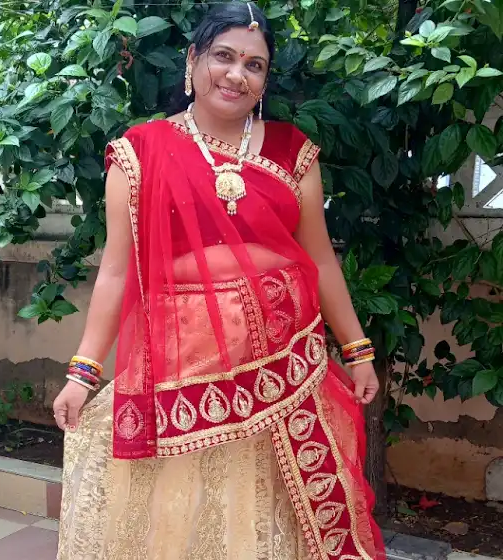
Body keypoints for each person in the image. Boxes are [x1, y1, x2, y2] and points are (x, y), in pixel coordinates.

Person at [53, 2, 385, 558]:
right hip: (183, 365)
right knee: (185, 510)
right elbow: (116, 271)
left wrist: (357, 350)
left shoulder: (292, 152)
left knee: (270, 510)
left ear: (265, 80)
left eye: (254, 65)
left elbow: (321, 260)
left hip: (285, 366)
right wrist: (83, 372)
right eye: (223, 57)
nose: (237, 74)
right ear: (192, 61)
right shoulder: (141, 152)